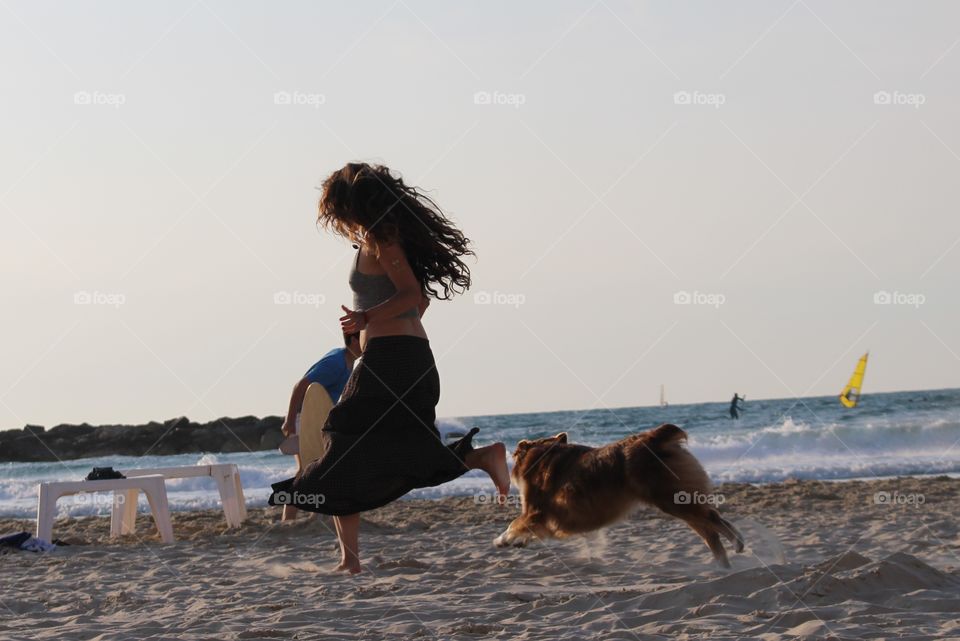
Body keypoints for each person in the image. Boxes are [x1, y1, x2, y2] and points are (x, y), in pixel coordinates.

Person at [269, 162, 510, 574]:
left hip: (392, 361)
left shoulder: (382, 238)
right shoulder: (378, 239)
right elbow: (420, 304)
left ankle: (351, 560)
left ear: (349, 204)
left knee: (341, 445)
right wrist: (378, 328)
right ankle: (481, 458)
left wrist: (367, 320)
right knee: (385, 450)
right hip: (402, 358)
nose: (335, 219)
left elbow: (412, 295)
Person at [279, 332, 362, 522]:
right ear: (354, 340)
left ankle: (313, 515)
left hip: (316, 418)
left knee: (316, 467)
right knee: (306, 470)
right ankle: (289, 519)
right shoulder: (336, 363)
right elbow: (300, 386)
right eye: (366, 337)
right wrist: (290, 420)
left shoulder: (348, 362)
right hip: (304, 418)